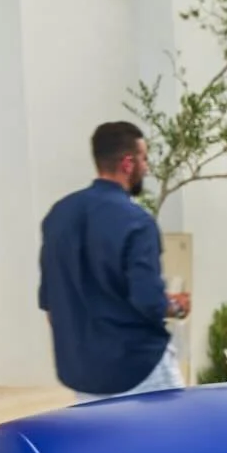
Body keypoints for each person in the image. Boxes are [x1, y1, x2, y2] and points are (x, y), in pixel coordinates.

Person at [38, 120, 190, 400]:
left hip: (83, 376)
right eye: (144, 158)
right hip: (139, 368)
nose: (147, 167)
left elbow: (52, 305)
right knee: (176, 442)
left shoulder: (58, 216)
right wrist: (176, 305)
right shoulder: (137, 223)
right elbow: (149, 302)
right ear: (128, 163)